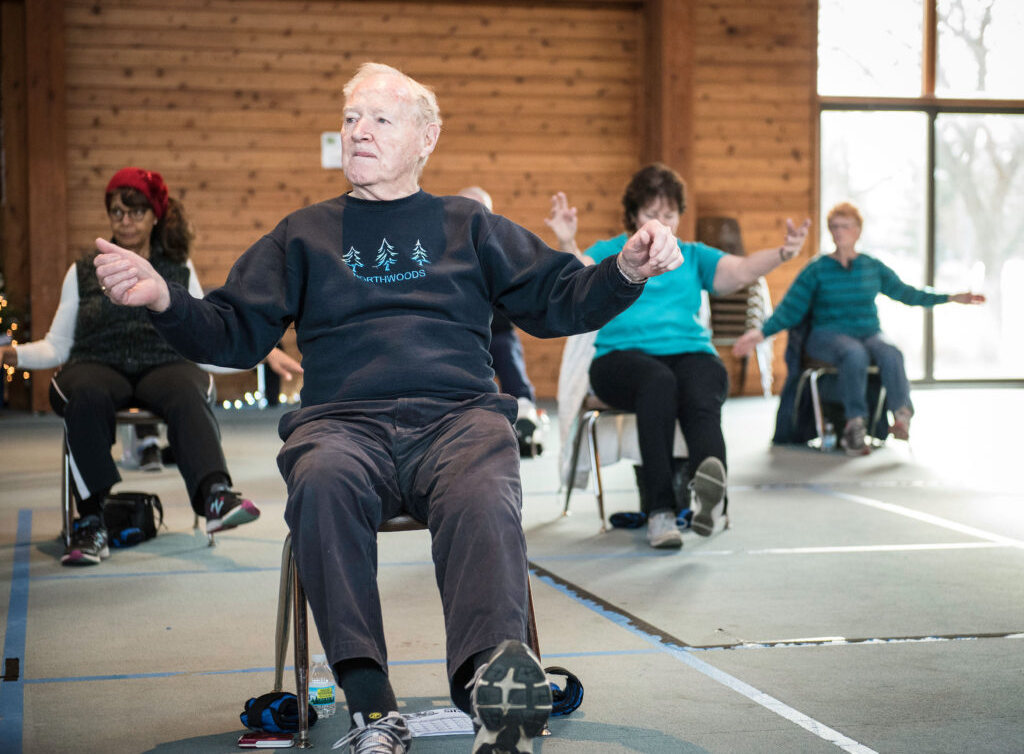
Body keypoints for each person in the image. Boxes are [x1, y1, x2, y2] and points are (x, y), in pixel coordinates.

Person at [93, 63, 682, 754]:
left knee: (486, 486)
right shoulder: (303, 234)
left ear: (426, 137)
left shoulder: (470, 225)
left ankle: (488, 687)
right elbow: (233, 331)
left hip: (457, 418)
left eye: (379, 118)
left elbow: (560, 299)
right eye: (350, 119)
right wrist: (165, 299)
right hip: (342, 425)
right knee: (321, 479)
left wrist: (626, 270)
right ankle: (372, 706)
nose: (359, 131)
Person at [1, 167, 302, 566]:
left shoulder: (178, 267)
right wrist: (14, 355)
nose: (125, 221)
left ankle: (215, 496)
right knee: (85, 393)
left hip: (165, 364)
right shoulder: (83, 269)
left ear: (155, 216)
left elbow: (201, 338)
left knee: (188, 388)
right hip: (96, 364)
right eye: (117, 212)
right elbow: (58, 346)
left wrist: (259, 354)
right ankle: (90, 521)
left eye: (136, 212)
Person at [546, 163, 810, 549]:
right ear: (633, 215)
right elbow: (577, 278)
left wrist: (783, 253)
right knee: (658, 382)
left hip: (688, 351)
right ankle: (660, 511)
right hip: (619, 359)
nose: (661, 222)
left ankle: (707, 493)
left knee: (705, 381)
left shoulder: (691, 255)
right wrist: (567, 240)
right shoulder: (609, 251)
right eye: (652, 213)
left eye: (669, 214)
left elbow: (740, 271)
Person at [733, 201, 985, 455]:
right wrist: (761, 333)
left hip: (868, 332)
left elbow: (907, 293)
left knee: (891, 352)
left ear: (858, 230)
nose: (839, 232)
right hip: (826, 335)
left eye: (845, 226)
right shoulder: (817, 269)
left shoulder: (871, 266)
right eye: (834, 227)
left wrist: (950, 297)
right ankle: (854, 425)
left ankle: (901, 416)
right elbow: (790, 307)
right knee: (854, 353)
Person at [456, 186, 541, 455]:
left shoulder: (500, 249)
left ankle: (524, 408)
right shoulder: (440, 252)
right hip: (457, 335)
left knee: (506, 349)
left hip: (496, 331)